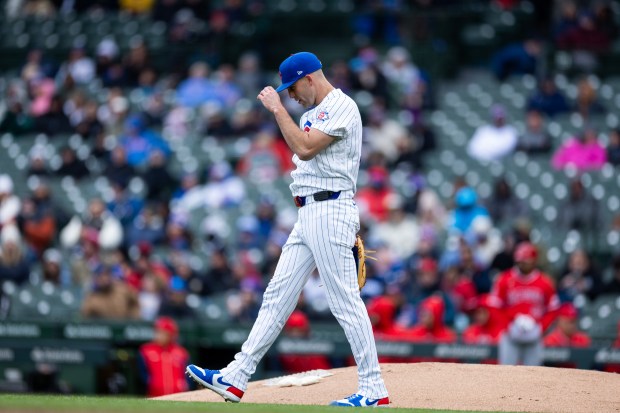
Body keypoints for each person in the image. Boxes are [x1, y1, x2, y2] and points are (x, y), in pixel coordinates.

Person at [186, 52, 390, 408]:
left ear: (309, 78)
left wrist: (277, 108)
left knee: (344, 302)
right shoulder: (312, 112)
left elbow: (305, 148)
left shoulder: (342, 105)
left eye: (292, 86)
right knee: (276, 295)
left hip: (330, 210)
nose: (290, 94)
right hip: (309, 213)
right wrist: (286, 110)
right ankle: (236, 376)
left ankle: (373, 389)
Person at [492, 242, 560, 366]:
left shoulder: (545, 282)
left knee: (533, 374)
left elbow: (553, 309)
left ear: (534, 261)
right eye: (520, 261)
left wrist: (541, 328)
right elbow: (495, 306)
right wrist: (508, 326)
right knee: (506, 373)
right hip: (511, 333)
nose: (522, 264)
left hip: (534, 333)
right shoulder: (504, 279)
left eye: (526, 261)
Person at [138, 317, 190, 397]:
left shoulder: (181, 352)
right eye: (157, 332)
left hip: (179, 396)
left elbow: (188, 374)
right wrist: (151, 383)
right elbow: (142, 373)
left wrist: (185, 384)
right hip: (154, 395)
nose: (159, 335)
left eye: (163, 333)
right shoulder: (146, 350)